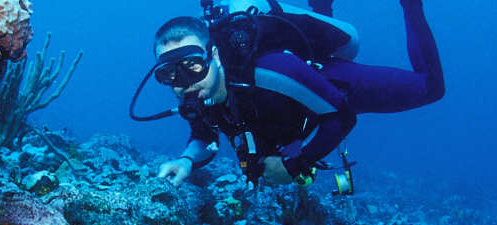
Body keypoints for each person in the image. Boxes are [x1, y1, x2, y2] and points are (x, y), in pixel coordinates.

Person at [150, 0, 444, 187]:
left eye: (193, 66)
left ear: (213, 55)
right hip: (292, 115)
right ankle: (322, 6)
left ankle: (411, 6)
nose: (184, 82)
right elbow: (204, 136)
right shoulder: (200, 93)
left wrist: (294, 165)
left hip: (331, 86)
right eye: (169, 74)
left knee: (431, 89)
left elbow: (341, 117)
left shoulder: (270, 71)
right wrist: (186, 161)